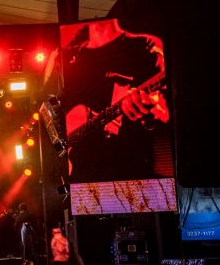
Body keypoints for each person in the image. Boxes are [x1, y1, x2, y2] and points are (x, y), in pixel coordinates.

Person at [60, 18, 171, 184]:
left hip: (132, 175)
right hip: (83, 179)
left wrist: (153, 110)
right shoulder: (70, 57)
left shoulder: (145, 45)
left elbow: (167, 112)